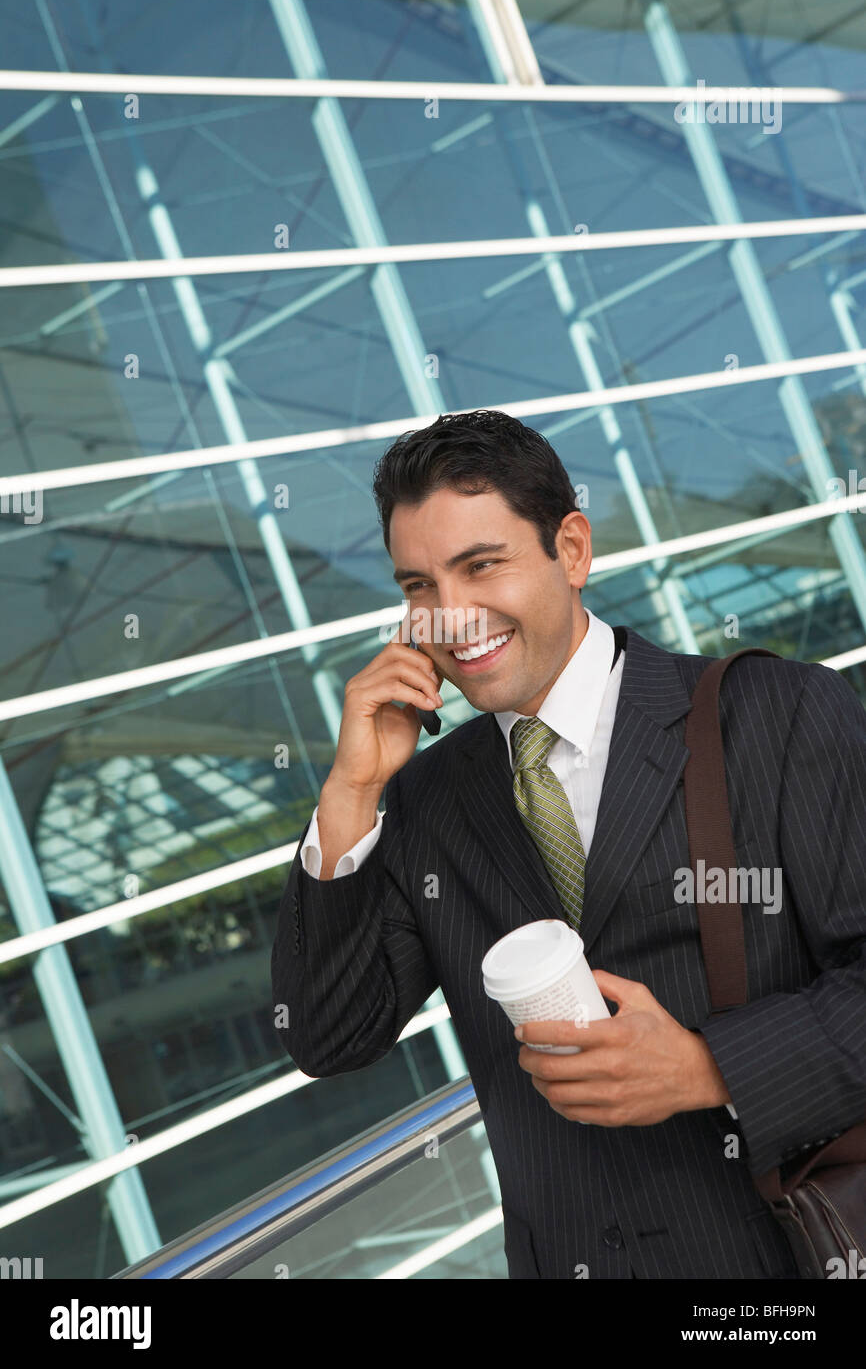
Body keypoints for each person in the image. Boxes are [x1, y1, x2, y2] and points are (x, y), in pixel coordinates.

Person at [271, 409, 866, 1279]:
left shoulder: (779, 716)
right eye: (418, 588)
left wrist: (710, 1069)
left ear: (573, 550)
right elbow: (327, 1034)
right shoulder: (429, 799)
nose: (449, 616)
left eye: (481, 566)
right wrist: (350, 792)